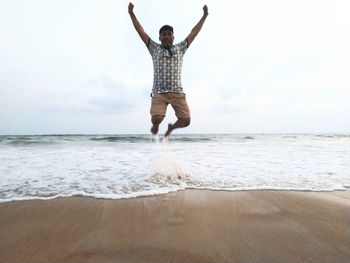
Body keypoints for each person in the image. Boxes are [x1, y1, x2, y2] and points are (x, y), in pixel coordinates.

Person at [128, 2, 208, 137]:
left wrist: (204, 16)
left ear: (173, 37)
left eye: (169, 34)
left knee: (186, 120)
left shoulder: (180, 48)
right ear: (159, 37)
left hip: (177, 91)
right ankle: (155, 125)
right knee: (157, 118)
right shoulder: (154, 48)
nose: (166, 36)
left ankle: (171, 128)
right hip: (159, 92)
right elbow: (140, 30)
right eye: (163, 34)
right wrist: (131, 13)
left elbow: (194, 31)